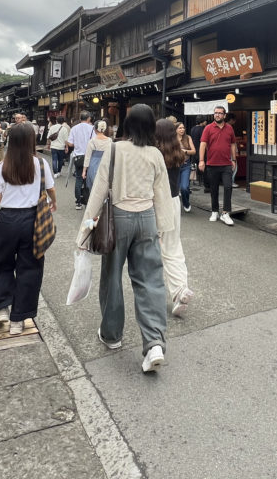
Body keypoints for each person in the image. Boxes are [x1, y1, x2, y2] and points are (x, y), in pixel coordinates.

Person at [81, 103, 173, 373]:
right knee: (150, 281)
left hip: (118, 217)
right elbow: (162, 195)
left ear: (128, 125)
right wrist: (164, 229)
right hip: (146, 219)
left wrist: (85, 230)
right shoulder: (155, 154)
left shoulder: (114, 148)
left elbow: (99, 191)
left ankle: (111, 335)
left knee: (111, 276)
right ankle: (154, 342)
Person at [0, 122, 56, 335]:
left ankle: (1, 307)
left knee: (1, 262)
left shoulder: (2, 166)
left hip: (7, 220)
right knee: (30, 267)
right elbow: (50, 188)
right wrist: (53, 202)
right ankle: (19, 319)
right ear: (31, 140)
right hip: (32, 220)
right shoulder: (40, 164)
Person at [156, 118, 193, 318]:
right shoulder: (178, 152)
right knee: (173, 247)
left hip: (158, 204)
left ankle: (177, 292)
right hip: (174, 201)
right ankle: (180, 289)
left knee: (159, 250)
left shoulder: (155, 153)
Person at [198, 104, 236, 226]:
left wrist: (234, 160)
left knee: (228, 187)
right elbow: (203, 145)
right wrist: (201, 161)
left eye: (220, 113)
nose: (217, 115)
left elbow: (233, 144)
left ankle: (225, 213)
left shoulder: (229, 128)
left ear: (224, 115)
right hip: (212, 164)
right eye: (216, 113)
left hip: (226, 164)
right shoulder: (208, 128)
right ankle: (214, 211)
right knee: (213, 189)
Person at [67, 111, 95, 209]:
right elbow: (95, 142)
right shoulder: (92, 129)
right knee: (89, 179)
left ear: (80, 118)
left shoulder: (74, 128)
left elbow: (70, 144)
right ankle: (88, 200)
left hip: (78, 157)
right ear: (89, 119)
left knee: (79, 179)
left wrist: (78, 144)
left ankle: (78, 202)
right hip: (89, 156)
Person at [82, 119, 111, 194]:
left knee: (93, 187)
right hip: (105, 165)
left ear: (95, 129)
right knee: (104, 186)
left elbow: (87, 157)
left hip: (93, 165)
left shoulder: (92, 141)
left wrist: (84, 170)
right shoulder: (109, 140)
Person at [175, 122, 195, 212]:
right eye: (180, 128)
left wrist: (185, 151)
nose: (182, 129)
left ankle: (186, 203)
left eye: (183, 128)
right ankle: (175, 206)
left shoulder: (188, 137)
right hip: (175, 166)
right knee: (176, 188)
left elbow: (194, 151)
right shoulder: (172, 139)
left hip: (186, 165)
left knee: (184, 187)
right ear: (175, 129)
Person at [190, 116, 208, 190]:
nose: (206, 122)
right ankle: (202, 181)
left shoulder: (193, 129)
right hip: (200, 149)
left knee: (195, 165)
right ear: (202, 121)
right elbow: (204, 141)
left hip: (194, 149)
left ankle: (195, 180)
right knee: (203, 166)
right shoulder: (202, 129)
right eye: (205, 121)